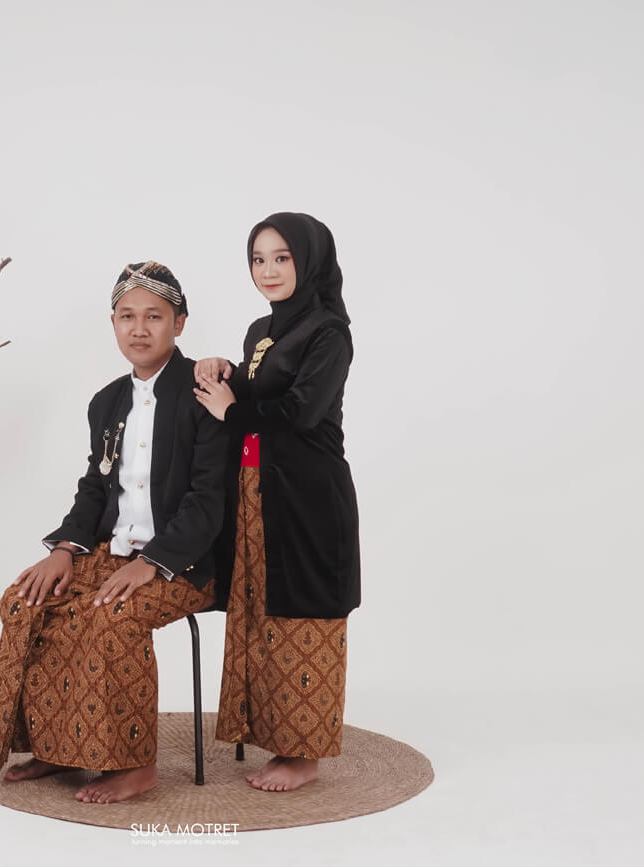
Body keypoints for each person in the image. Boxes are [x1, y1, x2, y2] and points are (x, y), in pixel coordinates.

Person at [0, 261, 227, 804]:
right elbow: (95, 486)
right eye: (126, 316)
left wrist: (152, 562)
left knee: (112, 618)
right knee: (25, 603)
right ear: (112, 323)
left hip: (185, 565)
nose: (139, 329)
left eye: (154, 316)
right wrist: (65, 549)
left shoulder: (204, 393)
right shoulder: (106, 402)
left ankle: (136, 766)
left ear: (179, 323)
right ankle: (55, 746)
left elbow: (209, 501)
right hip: (108, 553)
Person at [193, 212, 361, 792]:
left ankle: (303, 755)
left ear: (309, 261)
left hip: (308, 497)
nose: (268, 270)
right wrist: (225, 370)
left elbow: (300, 413)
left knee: (303, 614)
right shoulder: (261, 330)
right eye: (258, 259)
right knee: (261, 612)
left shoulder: (328, 333)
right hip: (258, 492)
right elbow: (258, 390)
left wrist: (232, 409)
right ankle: (271, 736)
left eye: (282, 258)